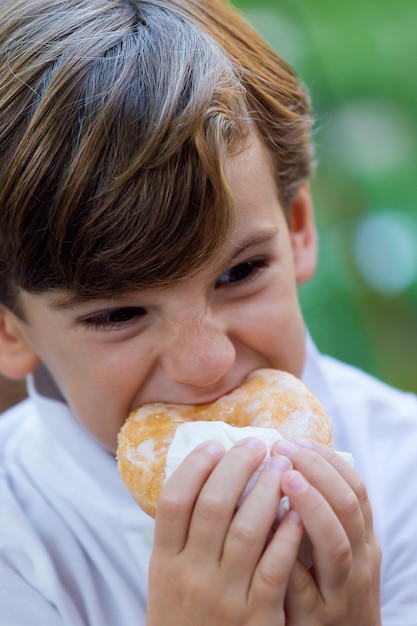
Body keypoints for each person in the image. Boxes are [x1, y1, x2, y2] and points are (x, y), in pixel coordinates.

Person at [0, 0, 416, 624]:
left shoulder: (403, 472)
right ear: (10, 329)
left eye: (240, 273)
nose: (205, 365)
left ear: (298, 227)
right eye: (118, 315)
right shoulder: (17, 546)